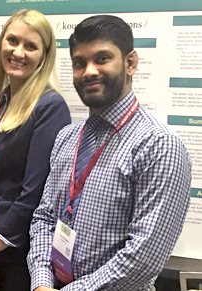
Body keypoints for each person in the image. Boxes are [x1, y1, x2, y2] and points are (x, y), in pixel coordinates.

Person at [27, 15, 191, 291]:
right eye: (79, 63)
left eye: (102, 59)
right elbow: (44, 218)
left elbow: (142, 261)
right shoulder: (67, 137)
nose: (89, 71)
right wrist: (42, 283)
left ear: (130, 63)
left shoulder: (159, 145)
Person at [0, 9, 71, 291]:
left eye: (30, 46)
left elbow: (31, 197)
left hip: (18, 255)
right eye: (12, 41)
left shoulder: (50, 107)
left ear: (43, 56)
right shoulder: (2, 101)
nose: (18, 52)